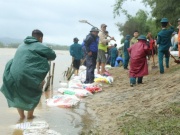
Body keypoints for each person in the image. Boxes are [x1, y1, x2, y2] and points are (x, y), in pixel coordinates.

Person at [0, 29, 56, 119]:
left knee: (18, 95)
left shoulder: (21, 45)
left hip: (13, 75)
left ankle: (22, 117)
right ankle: (30, 116)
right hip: (27, 75)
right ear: (41, 38)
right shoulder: (39, 45)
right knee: (34, 92)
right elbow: (53, 56)